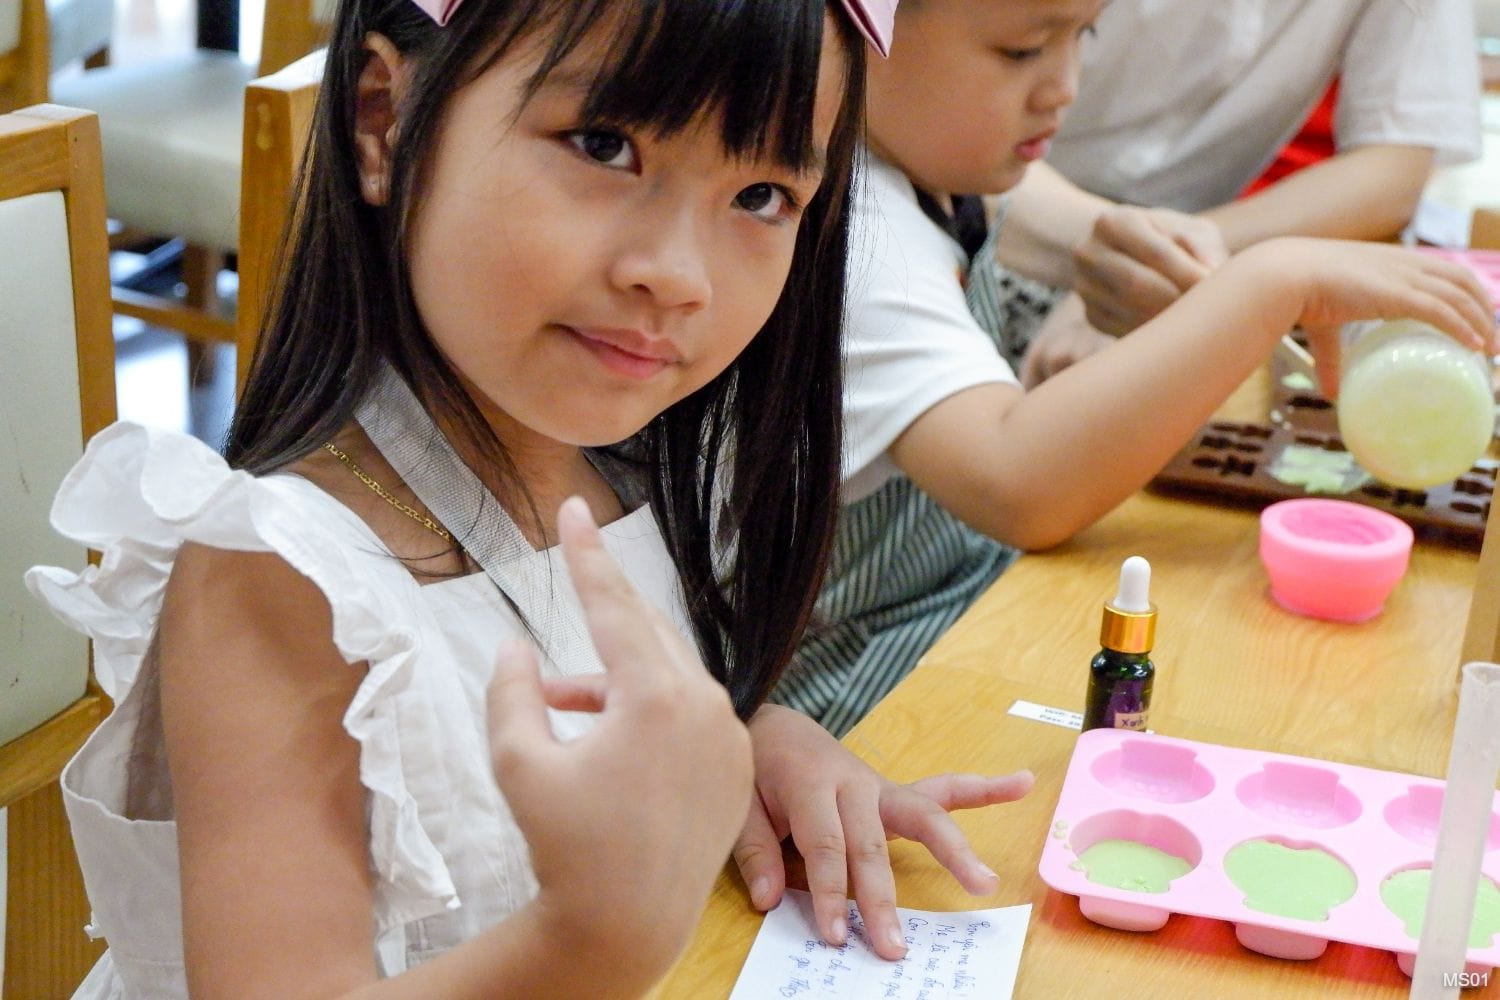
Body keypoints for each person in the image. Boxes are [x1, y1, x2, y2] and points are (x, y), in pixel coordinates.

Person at [28, 0, 1024, 994]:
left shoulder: (639, 468)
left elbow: (586, 695)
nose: (677, 276)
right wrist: (586, 938)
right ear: (384, 119)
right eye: (605, 145)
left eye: (761, 196)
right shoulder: (282, 578)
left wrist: (758, 744)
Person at [766, 0, 1497, 743]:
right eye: (1022, 51)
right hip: (844, 690)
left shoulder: (935, 177)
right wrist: (1274, 282)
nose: (1065, 87)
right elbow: (1017, 482)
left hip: (952, 604)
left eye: (1083, 37)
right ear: (864, 29)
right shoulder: (854, 224)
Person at [991, 0, 1482, 384]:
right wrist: (1124, 254)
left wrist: (1147, 257)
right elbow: (934, 121)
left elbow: (1390, 174)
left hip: (1182, 277)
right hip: (986, 223)